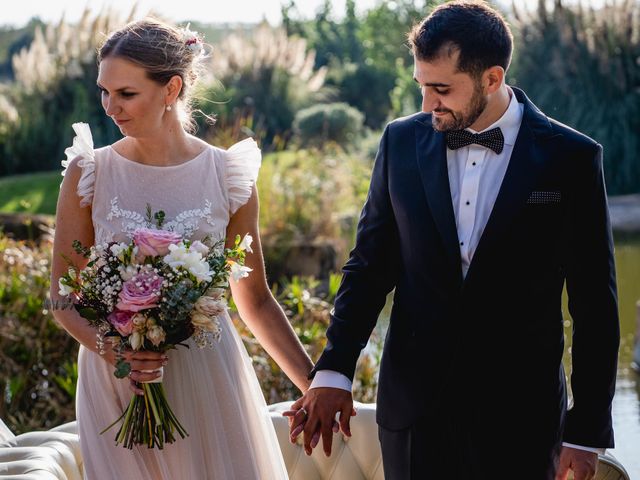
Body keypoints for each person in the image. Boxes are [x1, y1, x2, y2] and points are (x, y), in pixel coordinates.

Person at [287, 2, 620, 479]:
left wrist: (585, 429)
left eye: (442, 89)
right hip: (413, 413)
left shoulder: (572, 158)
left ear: (491, 78)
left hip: (522, 420)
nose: (427, 105)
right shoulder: (400, 142)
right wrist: (335, 369)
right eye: (422, 86)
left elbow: (596, 306)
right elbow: (369, 267)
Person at [50, 18, 313, 479]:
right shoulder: (89, 173)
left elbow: (253, 298)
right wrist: (115, 351)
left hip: (207, 376)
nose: (110, 107)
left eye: (126, 94)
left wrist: (316, 385)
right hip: (116, 382)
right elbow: (61, 298)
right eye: (104, 92)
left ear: (171, 89)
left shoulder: (228, 175)